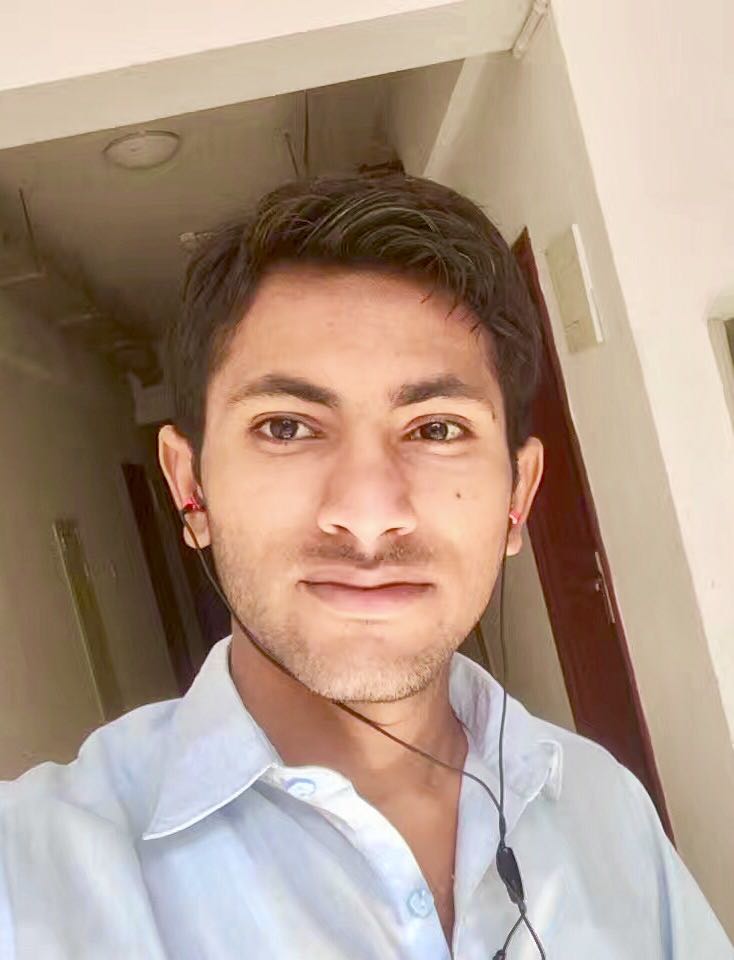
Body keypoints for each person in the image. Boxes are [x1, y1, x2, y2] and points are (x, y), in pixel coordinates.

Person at [1, 174, 732, 959]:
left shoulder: (605, 807)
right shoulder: (33, 876)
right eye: (286, 427)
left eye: (437, 428)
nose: (368, 511)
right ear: (191, 487)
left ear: (518, 497)